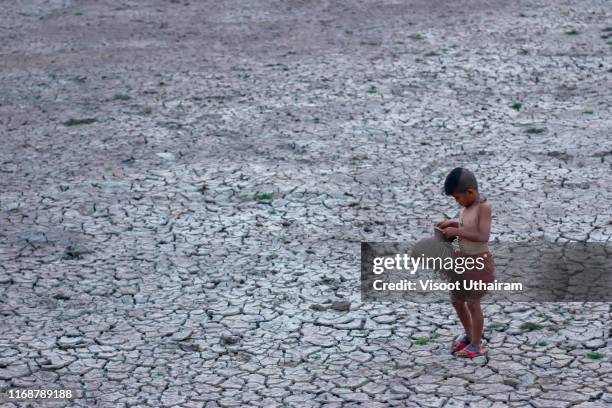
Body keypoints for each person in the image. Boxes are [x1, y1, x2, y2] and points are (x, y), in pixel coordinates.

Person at [435, 167, 495, 358]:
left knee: (472, 302)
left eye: (457, 197)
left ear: (470, 192)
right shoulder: (466, 208)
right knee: (457, 301)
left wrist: (458, 232)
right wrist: (451, 225)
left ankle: (477, 346)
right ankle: (470, 337)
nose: (457, 202)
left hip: (480, 263)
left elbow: (483, 235)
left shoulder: (484, 207)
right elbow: (466, 226)